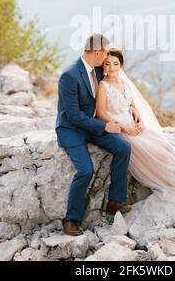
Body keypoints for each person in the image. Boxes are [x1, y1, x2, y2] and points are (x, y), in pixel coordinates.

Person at [96, 47, 175, 210]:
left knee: (165, 148)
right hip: (120, 128)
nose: (111, 67)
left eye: (115, 63)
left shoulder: (124, 82)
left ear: (121, 65)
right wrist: (125, 128)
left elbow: (131, 103)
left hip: (133, 124)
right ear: (103, 66)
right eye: (107, 64)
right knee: (154, 152)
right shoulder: (103, 86)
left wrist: (137, 116)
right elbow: (101, 113)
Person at [55, 34, 136, 236]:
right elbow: (74, 116)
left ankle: (115, 200)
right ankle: (71, 220)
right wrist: (106, 126)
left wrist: (132, 107)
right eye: (106, 54)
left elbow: (117, 84)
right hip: (71, 129)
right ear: (97, 52)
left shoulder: (99, 69)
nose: (107, 59)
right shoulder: (69, 76)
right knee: (85, 171)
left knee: (123, 147)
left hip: (93, 126)